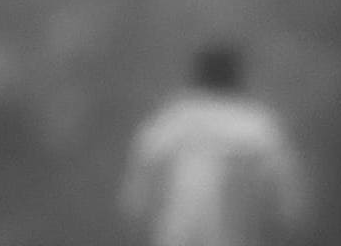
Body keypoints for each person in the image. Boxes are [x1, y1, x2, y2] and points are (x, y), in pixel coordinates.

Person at [120, 42, 309, 246]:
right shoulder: (260, 130)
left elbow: (135, 203)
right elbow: (289, 206)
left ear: (195, 76)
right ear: (238, 76)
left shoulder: (165, 125)